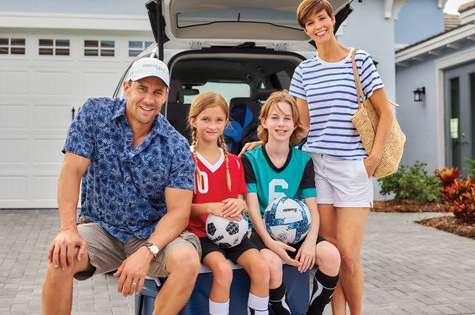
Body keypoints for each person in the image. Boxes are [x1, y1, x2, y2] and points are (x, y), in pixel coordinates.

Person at [42, 57, 202, 315]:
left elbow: (179, 212)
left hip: (151, 234)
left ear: (165, 97)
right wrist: (68, 230)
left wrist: (148, 251)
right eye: (142, 89)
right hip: (102, 228)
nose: (149, 99)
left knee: (187, 261)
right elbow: (72, 171)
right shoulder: (95, 114)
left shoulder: (176, 145)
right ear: (127, 87)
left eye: (157, 92)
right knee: (62, 256)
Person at [289, 0, 393, 315]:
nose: (317, 26)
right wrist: (262, 144)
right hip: (317, 167)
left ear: (333, 19)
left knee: (348, 254)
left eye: (321, 19)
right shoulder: (304, 71)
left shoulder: (358, 60)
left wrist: (371, 160)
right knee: (330, 252)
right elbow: (301, 127)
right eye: (310, 23)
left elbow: (385, 114)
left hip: (353, 167)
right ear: (305, 30)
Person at [241, 90, 341, 315]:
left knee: (332, 256)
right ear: (264, 122)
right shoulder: (249, 159)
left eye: (287, 118)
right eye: (275, 118)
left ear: (295, 124)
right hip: (259, 231)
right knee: (272, 265)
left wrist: (310, 241)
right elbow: (253, 209)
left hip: (295, 230)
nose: (281, 124)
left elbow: (312, 209)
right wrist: (269, 242)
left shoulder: (303, 161)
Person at [186, 92, 270, 315]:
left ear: (226, 123)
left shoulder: (234, 162)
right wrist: (209, 208)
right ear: (193, 121)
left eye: (218, 120)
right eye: (205, 119)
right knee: (223, 271)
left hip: (234, 233)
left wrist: (239, 205)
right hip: (200, 235)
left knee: (262, 268)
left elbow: (241, 202)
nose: (212, 126)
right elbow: (179, 208)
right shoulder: (185, 160)